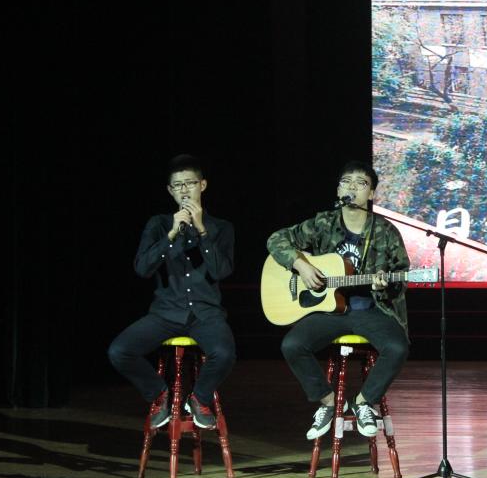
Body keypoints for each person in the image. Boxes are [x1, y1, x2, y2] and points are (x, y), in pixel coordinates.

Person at [267, 160, 410, 440]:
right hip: (330, 311)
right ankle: (330, 403)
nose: (352, 187)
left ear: (371, 193)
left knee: (397, 347)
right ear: (338, 189)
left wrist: (385, 284)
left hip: (371, 310)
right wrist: (301, 265)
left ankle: (363, 403)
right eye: (347, 182)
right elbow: (276, 239)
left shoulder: (385, 231)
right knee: (293, 345)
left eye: (361, 183)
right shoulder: (323, 223)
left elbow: (401, 274)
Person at [108, 154, 236, 430]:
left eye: (190, 183)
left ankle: (199, 398)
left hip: (205, 313)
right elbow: (143, 268)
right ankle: (159, 394)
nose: (184, 190)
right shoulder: (159, 224)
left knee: (224, 354)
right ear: (170, 190)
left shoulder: (221, 228)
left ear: (202, 185)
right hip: (166, 312)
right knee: (119, 351)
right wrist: (171, 235)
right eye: (178, 185)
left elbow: (221, 271)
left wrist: (202, 230)